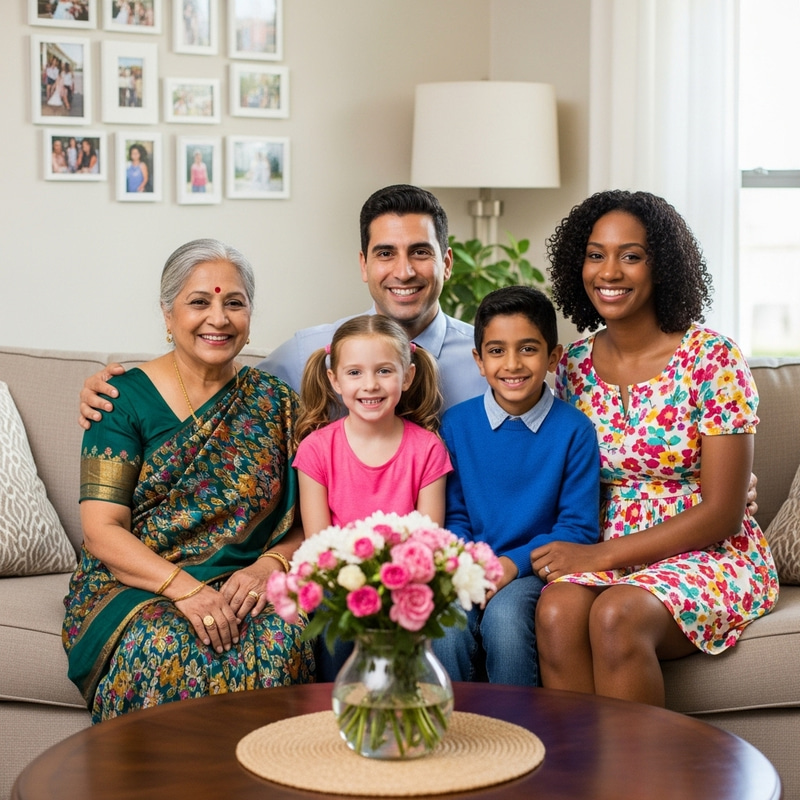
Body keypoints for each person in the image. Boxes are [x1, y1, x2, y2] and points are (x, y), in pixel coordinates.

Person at [531, 190, 779, 707]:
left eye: (631, 256)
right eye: (595, 254)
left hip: (706, 551)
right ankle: (574, 784)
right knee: (555, 613)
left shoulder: (712, 359)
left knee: (616, 614)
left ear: (661, 266)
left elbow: (723, 514)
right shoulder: (569, 367)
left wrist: (597, 555)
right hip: (603, 543)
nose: (609, 272)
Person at [62, 238, 314, 723]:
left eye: (233, 303)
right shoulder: (118, 400)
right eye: (199, 302)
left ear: (250, 315)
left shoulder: (279, 404)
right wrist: (186, 590)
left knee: (283, 634)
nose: (218, 318)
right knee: (165, 645)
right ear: (167, 314)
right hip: (138, 584)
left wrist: (270, 564)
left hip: (246, 582)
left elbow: (312, 521)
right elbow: (101, 530)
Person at [78, 185, 485, 427]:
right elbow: (216, 380)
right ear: (363, 264)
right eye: (384, 254)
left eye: (419, 252)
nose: (403, 271)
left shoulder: (488, 364)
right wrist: (121, 394)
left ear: (445, 262)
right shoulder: (310, 351)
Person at [432, 286, 600, 686]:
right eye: (496, 351)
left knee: (506, 622)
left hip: (534, 572)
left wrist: (511, 565)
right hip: (470, 564)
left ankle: (517, 739)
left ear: (553, 357)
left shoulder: (575, 431)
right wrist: (472, 566)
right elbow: (453, 513)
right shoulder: (455, 425)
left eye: (528, 349)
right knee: (446, 623)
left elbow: (577, 529)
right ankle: (451, 736)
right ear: (478, 359)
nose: (512, 364)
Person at [293, 314, 452, 535]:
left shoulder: (429, 449)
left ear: (407, 377)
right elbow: (318, 546)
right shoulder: (315, 450)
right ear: (335, 380)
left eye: (384, 371)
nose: (370, 385)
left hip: (409, 569)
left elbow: (428, 543)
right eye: (354, 373)